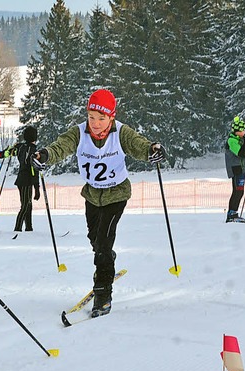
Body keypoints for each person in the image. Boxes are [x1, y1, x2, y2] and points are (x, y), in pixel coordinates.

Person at [31, 89, 165, 318]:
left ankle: (103, 292)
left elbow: (139, 145)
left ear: (111, 117)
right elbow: (60, 146)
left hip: (116, 195)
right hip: (93, 195)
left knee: (103, 242)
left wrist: (153, 150)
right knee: (95, 240)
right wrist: (44, 155)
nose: (95, 123)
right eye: (91, 117)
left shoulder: (121, 132)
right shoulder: (79, 133)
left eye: (101, 118)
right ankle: (107, 259)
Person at [225, 116, 245, 223]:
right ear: (237, 131)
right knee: (237, 191)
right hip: (236, 169)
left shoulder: (240, 139)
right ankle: (231, 215)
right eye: (243, 130)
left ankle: (234, 213)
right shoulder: (232, 140)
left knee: (240, 192)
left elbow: (244, 156)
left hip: (241, 169)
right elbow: (240, 154)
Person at [13, 126, 40, 232]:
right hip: (26, 180)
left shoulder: (21, 147)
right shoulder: (32, 150)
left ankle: (29, 227)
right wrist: (37, 188)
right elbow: (35, 170)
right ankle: (17, 228)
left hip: (21, 179)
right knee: (25, 205)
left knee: (28, 204)